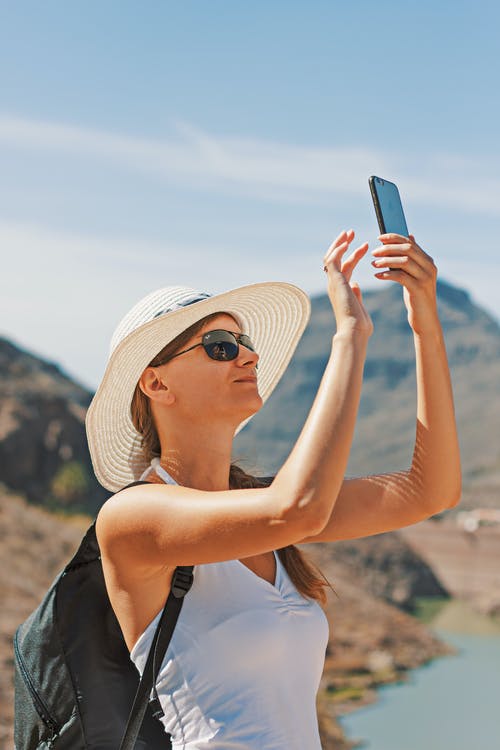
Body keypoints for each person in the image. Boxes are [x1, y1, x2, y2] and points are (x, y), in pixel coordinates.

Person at [86, 228, 461, 749]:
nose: (248, 357)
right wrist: (350, 335)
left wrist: (424, 321)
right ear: (156, 384)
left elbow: (431, 491)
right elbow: (298, 509)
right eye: (220, 346)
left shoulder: (257, 507)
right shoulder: (133, 519)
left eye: (245, 343)